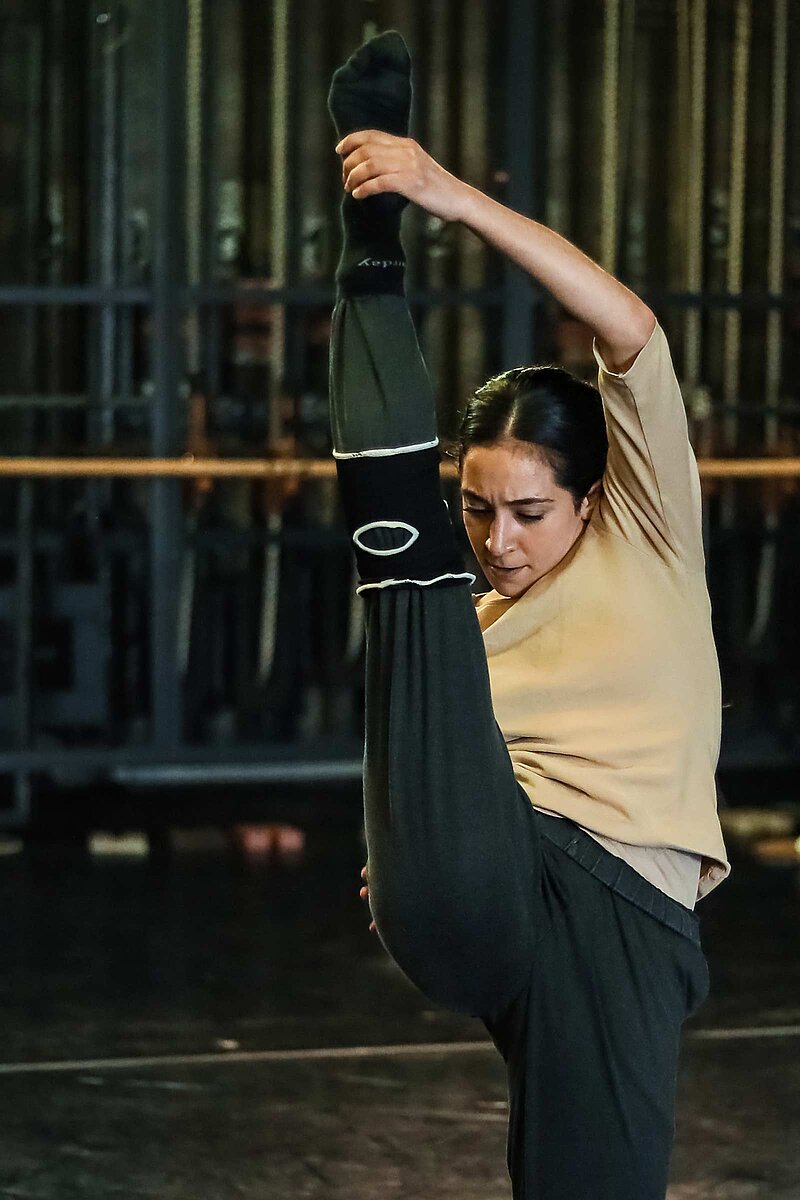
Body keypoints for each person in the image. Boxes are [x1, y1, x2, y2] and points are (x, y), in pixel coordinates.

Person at [327, 31, 730, 1200]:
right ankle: (368, 262)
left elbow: (629, 327)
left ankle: (392, 233)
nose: (498, 541)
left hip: (615, 911)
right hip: (490, 883)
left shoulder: (647, 534)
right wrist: (409, 844)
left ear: (590, 499)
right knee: (415, 605)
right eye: (474, 508)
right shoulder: (474, 629)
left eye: (527, 512)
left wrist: (449, 195)